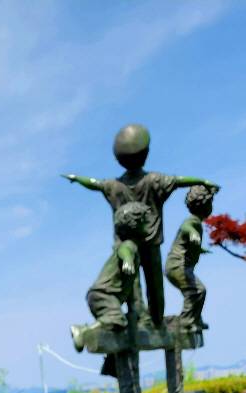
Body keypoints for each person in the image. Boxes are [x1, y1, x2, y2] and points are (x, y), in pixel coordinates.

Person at [63, 124, 219, 327]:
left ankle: (140, 319)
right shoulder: (154, 181)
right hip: (150, 243)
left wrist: (77, 179)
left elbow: (95, 184)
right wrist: (202, 181)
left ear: (118, 159)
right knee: (155, 288)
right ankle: (156, 322)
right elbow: (179, 181)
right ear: (146, 154)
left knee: (131, 286)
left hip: (125, 246)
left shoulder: (113, 186)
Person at [86, 201, 149, 330]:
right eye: (145, 221)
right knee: (116, 319)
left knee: (119, 327)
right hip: (103, 294)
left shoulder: (133, 249)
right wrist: (127, 260)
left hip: (103, 296)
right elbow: (124, 251)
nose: (148, 224)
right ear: (136, 225)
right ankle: (83, 332)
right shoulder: (129, 245)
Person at [165, 184, 217, 330]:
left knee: (193, 293)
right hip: (178, 266)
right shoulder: (193, 221)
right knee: (198, 291)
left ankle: (194, 318)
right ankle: (186, 321)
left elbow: (187, 243)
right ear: (205, 205)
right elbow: (185, 227)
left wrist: (199, 249)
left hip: (175, 266)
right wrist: (193, 233)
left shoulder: (196, 222)